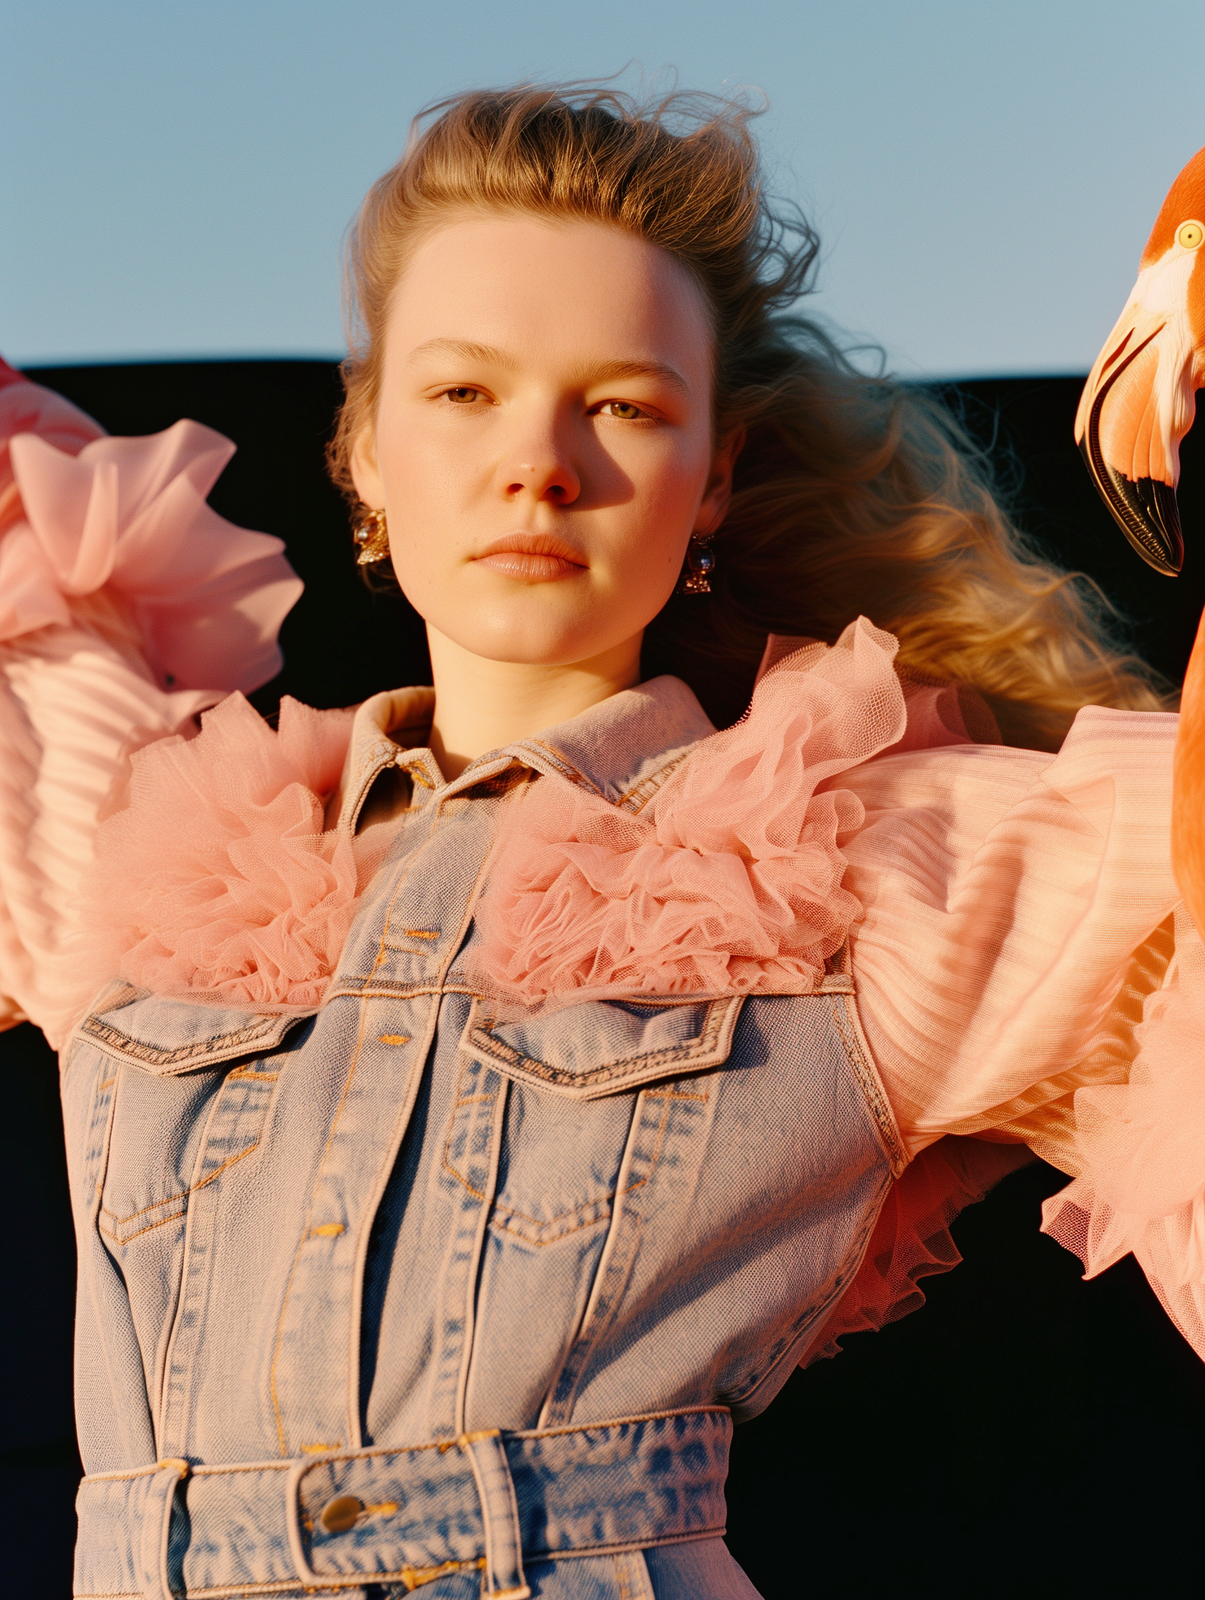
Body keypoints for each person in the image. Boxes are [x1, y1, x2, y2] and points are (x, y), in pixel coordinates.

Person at [0, 83, 1201, 1600]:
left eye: (623, 405)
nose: (540, 464)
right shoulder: (142, 844)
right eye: (461, 395)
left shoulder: (862, 864)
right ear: (364, 450)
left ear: (713, 469)